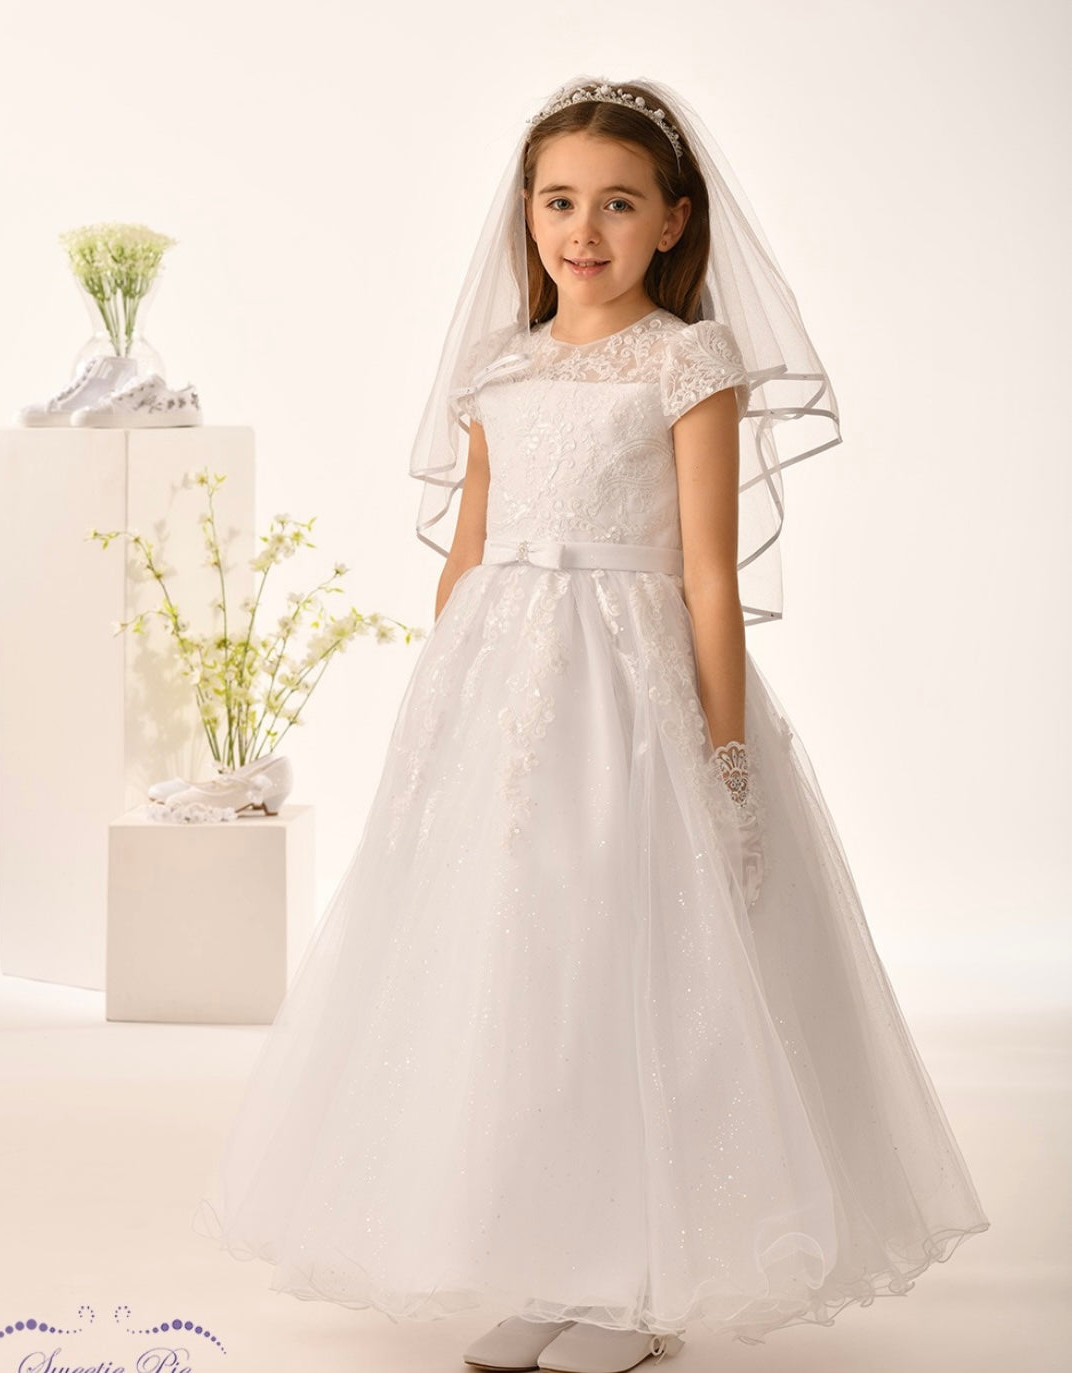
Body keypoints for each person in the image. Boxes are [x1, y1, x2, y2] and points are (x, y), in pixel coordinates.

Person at [192, 75, 990, 1373]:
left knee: (626, 964)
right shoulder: (499, 368)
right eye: (560, 201)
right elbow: (466, 555)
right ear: (525, 214)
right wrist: (432, 717)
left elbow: (709, 576)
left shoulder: (688, 362)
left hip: (630, 701)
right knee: (519, 971)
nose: (586, 228)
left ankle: (631, 1283)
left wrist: (726, 760)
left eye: (619, 204)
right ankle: (543, 1253)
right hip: (502, 699)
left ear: (673, 221)